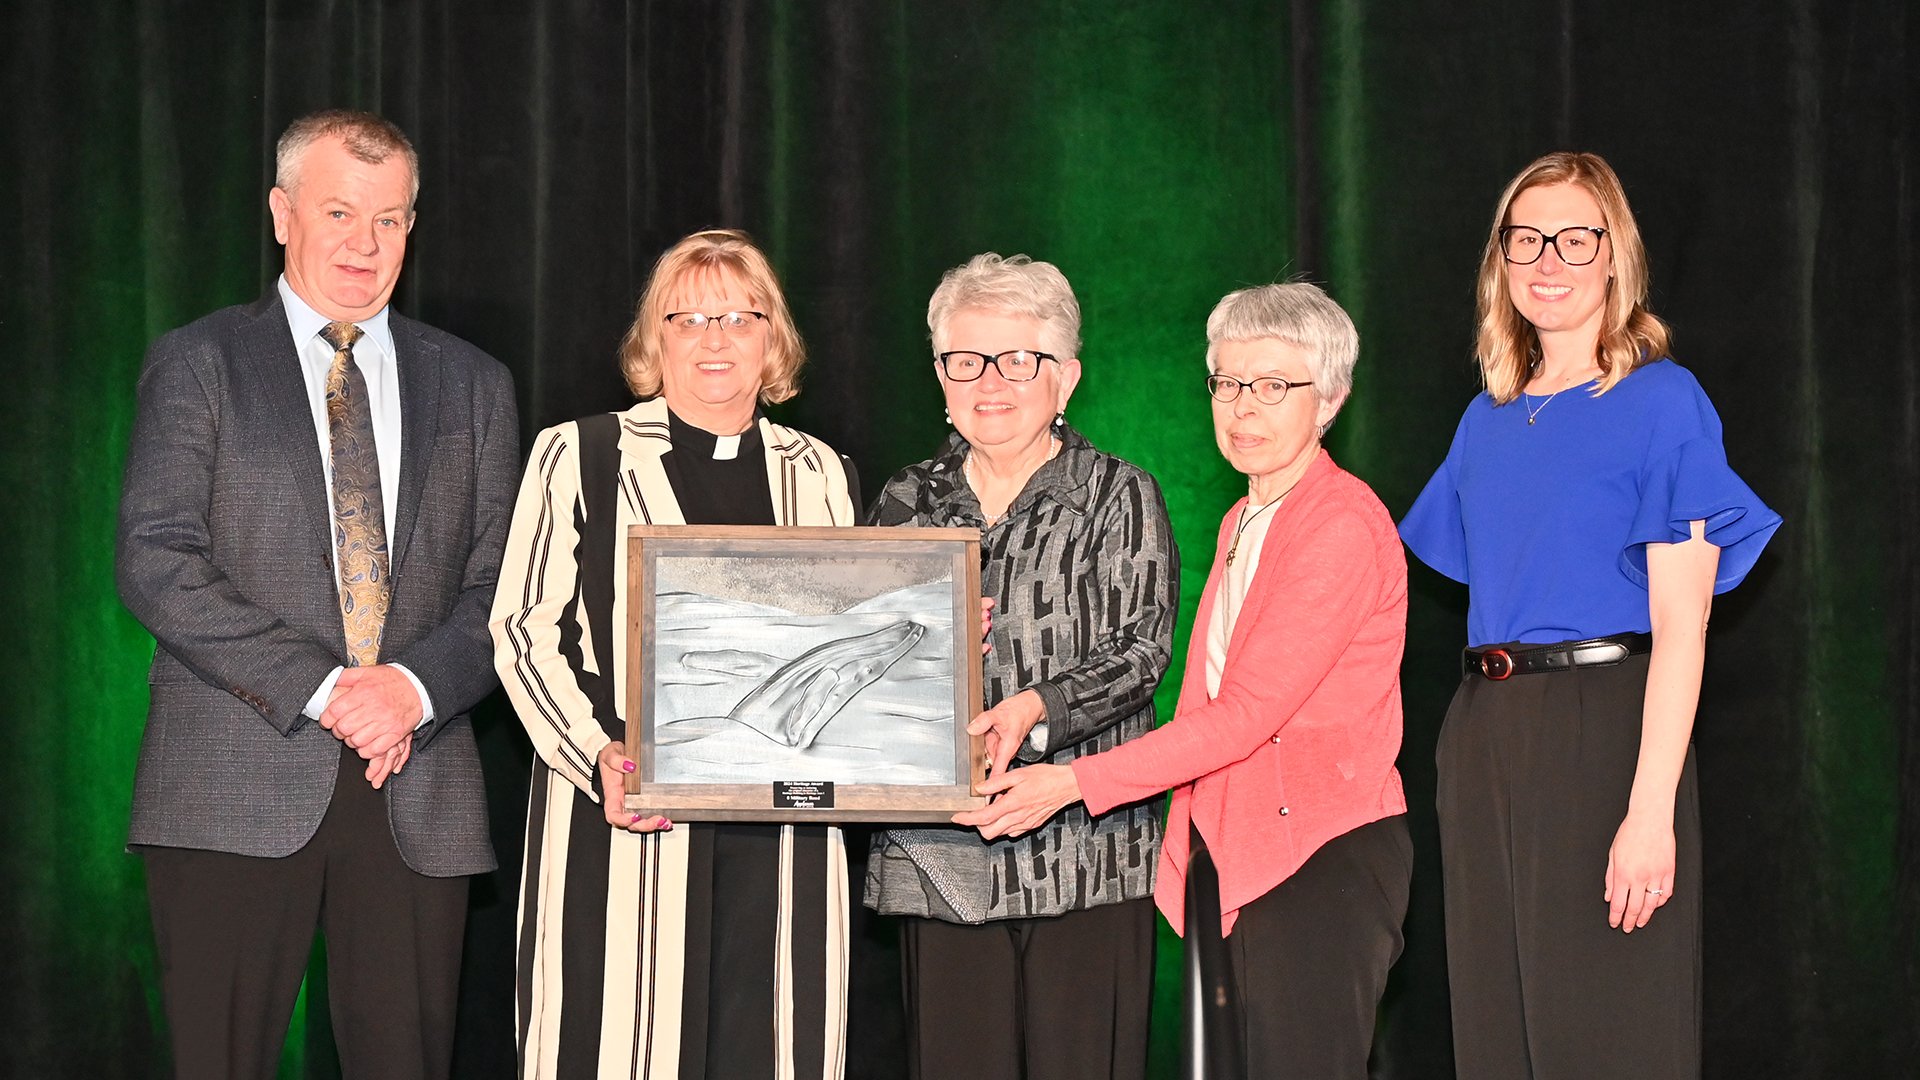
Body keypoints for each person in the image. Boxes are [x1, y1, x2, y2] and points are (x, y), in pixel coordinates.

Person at [115, 110, 520, 1080]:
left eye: (390, 219)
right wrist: (332, 689)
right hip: (229, 782)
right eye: (339, 211)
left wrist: (410, 693)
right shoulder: (198, 363)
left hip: (416, 790)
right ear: (281, 213)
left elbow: (506, 587)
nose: (364, 243)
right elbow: (156, 557)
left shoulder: (476, 384)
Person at [1399, 151, 1782, 1078]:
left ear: (1616, 257)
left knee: (1606, 1034)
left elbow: (1685, 632)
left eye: (1576, 238)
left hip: (1604, 728)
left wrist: (1650, 811)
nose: (1549, 260)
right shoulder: (1483, 419)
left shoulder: (1662, 403)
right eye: (1526, 238)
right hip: (1485, 731)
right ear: (1501, 259)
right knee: (1496, 1035)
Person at [968, 282, 1412, 1079]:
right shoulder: (1247, 516)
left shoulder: (1339, 521)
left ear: (1332, 397)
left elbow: (1242, 719)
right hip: (1241, 851)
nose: (1244, 407)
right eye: (1228, 382)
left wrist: (1069, 782)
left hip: (1319, 859)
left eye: (1273, 385)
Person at [490, 229, 860, 1079]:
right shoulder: (577, 455)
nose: (714, 339)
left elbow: (840, 641)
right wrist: (599, 757)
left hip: (784, 834)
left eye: (738, 316)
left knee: (772, 1045)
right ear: (654, 341)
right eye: (686, 318)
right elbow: (520, 630)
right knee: (614, 1044)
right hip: (622, 818)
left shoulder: (823, 473)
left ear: (774, 339)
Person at [863, 253, 1179, 1080]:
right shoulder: (904, 501)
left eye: (1018, 360)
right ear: (940, 373)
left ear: (1065, 378)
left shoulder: (1119, 494)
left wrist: (1037, 706)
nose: (989, 383)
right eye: (964, 361)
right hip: (941, 850)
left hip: (1087, 848)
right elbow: (857, 666)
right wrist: (917, 644)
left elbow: (1143, 651)